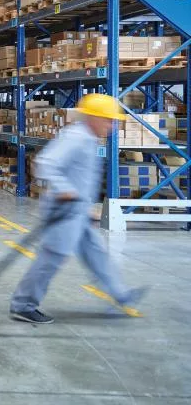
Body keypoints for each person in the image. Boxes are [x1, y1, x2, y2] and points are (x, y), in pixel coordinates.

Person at [10, 93, 147, 324]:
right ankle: (23, 306)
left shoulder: (88, 138)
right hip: (63, 210)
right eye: (108, 121)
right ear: (93, 117)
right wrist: (66, 190)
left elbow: (81, 177)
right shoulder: (76, 137)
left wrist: (86, 208)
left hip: (77, 211)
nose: (111, 126)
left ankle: (121, 295)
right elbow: (45, 163)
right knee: (52, 258)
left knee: (97, 253)